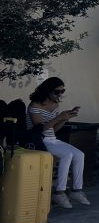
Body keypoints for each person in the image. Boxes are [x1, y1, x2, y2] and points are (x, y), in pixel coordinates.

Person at [26, 77, 87, 208]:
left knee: (80, 155)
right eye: (57, 92)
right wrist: (59, 117)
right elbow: (39, 129)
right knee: (67, 155)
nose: (60, 95)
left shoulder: (55, 106)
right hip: (39, 140)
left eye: (62, 91)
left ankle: (77, 190)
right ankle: (59, 192)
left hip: (52, 139)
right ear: (47, 91)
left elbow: (54, 129)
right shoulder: (34, 105)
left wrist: (65, 119)